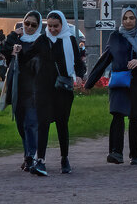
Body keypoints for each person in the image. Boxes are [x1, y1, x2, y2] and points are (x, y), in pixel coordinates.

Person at [85, 5, 137, 165]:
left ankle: (135, 155)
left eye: (131, 18)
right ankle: (116, 152)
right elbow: (104, 60)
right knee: (117, 116)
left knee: (135, 119)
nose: (128, 21)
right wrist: (89, 83)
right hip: (119, 82)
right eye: (125, 18)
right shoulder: (115, 36)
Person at [31, 10, 86, 176]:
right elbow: (27, 57)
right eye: (50, 26)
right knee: (43, 124)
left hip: (63, 89)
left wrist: (79, 75)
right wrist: (15, 42)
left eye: (56, 26)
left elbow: (78, 62)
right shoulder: (41, 40)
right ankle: (40, 160)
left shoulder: (69, 39)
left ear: (62, 25)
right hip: (43, 88)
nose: (53, 29)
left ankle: (64, 158)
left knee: (62, 123)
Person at [1, 11, 43, 171]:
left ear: (38, 26)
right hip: (17, 88)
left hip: (33, 89)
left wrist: (22, 54)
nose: (30, 27)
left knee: (31, 124)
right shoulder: (18, 41)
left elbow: (40, 62)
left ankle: (31, 156)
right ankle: (27, 154)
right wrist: (13, 34)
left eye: (33, 25)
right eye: (27, 24)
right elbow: (3, 50)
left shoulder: (40, 42)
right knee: (20, 124)